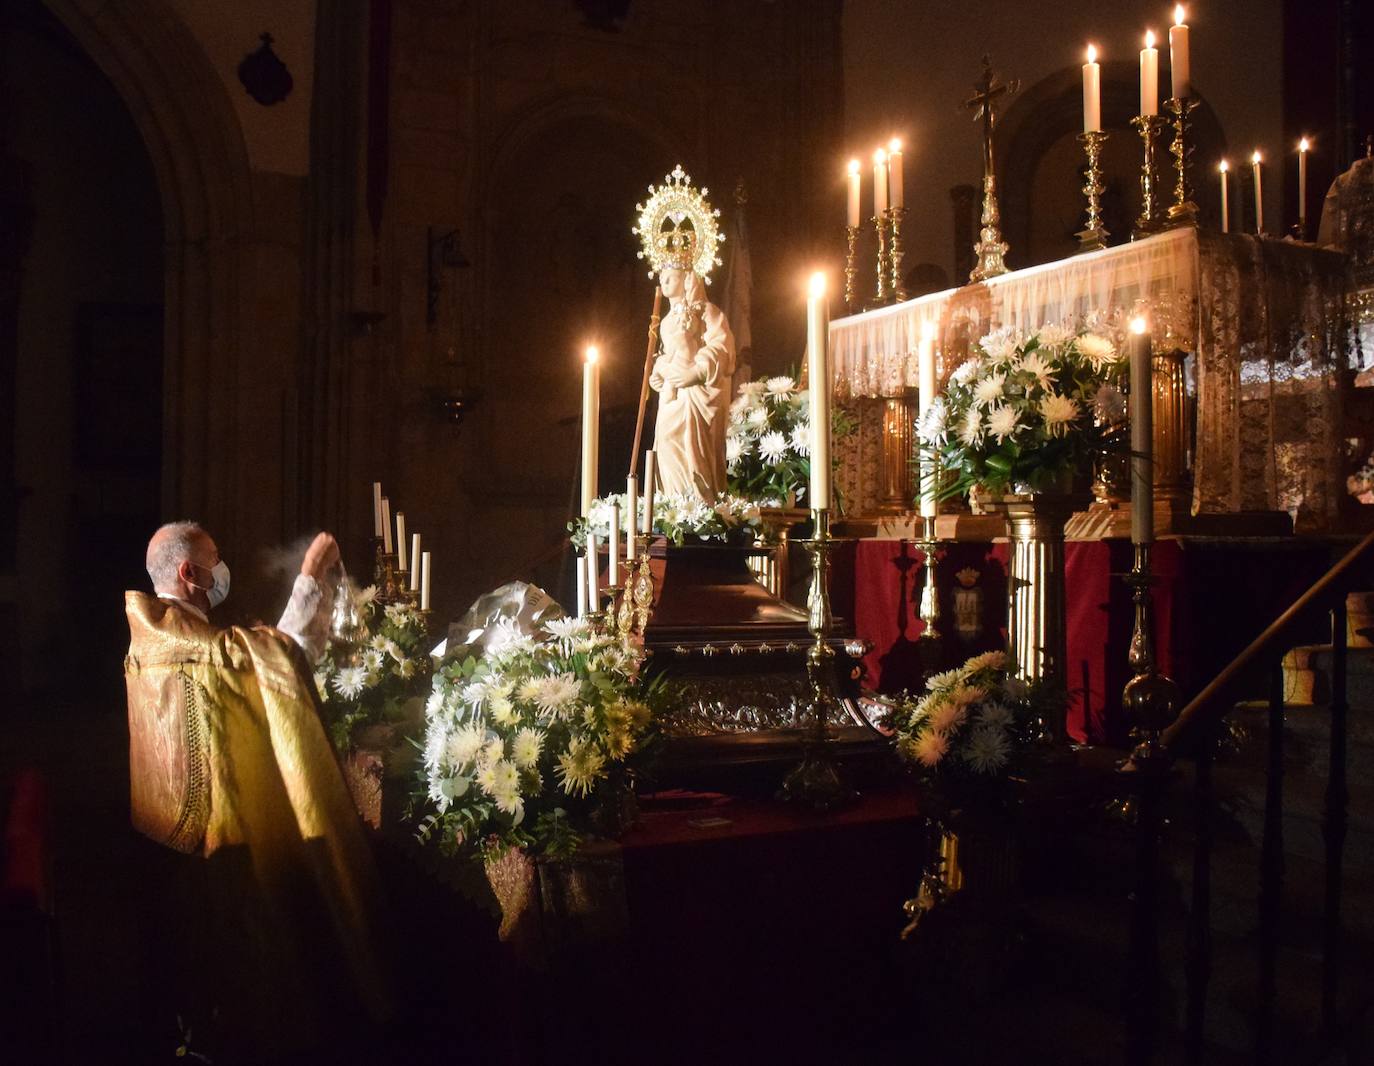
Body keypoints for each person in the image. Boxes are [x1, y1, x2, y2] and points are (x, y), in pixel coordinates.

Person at [124, 522, 390, 1061]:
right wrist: (309, 578)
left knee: (185, 956)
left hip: (162, 825)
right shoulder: (192, 642)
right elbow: (278, 656)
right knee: (232, 949)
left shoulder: (155, 633)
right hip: (215, 834)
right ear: (188, 572)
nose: (222, 570)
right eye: (215, 559)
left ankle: (187, 1031)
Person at [648, 264, 736, 500]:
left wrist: (696, 372)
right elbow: (669, 354)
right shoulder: (664, 321)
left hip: (696, 396)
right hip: (672, 392)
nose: (664, 280)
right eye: (662, 276)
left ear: (687, 278)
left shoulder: (706, 311)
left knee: (691, 447)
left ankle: (697, 502)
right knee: (665, 440)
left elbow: (722, 348)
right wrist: (658, 372)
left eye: (671, 276)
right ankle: (674, 501)